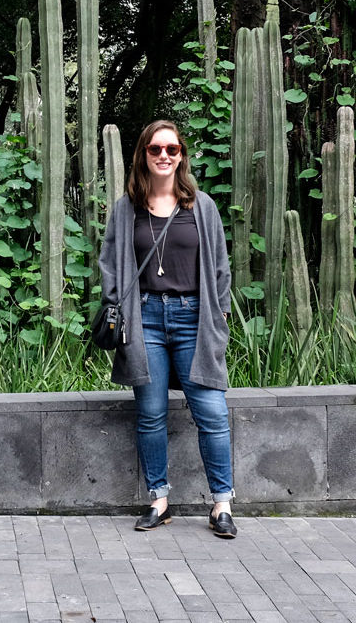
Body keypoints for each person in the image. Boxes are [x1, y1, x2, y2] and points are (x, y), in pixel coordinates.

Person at [97, 119, 236, 539]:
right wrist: (115, 300)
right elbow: (110, 261)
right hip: (145, 320)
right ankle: (158, 499)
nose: (163, 156)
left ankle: (222, 504)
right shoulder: (127, 208)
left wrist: (221, 312)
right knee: (152, 413)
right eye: (155, 149)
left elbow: (219, 265)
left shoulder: (201, 206)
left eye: (171, 150)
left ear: (181, 156)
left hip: (195, 317)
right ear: (142, 154)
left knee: (212, 412)